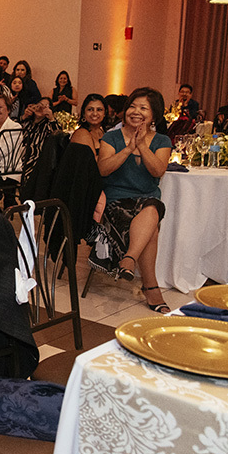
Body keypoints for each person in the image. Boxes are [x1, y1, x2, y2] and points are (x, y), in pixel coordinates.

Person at [90, 87, 172, 313]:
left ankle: (129, 259)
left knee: (151, 208)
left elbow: (158, 171)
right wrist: (128, 149)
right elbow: (103, 170)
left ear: (154, 115)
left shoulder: (162, 140)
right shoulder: (111, 137)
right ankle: (151, 288)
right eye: (133, 106)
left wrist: (142, 145)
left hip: (147, 201)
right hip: (116, 202)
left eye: (143, 108)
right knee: (151, 227)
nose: (136, 112)